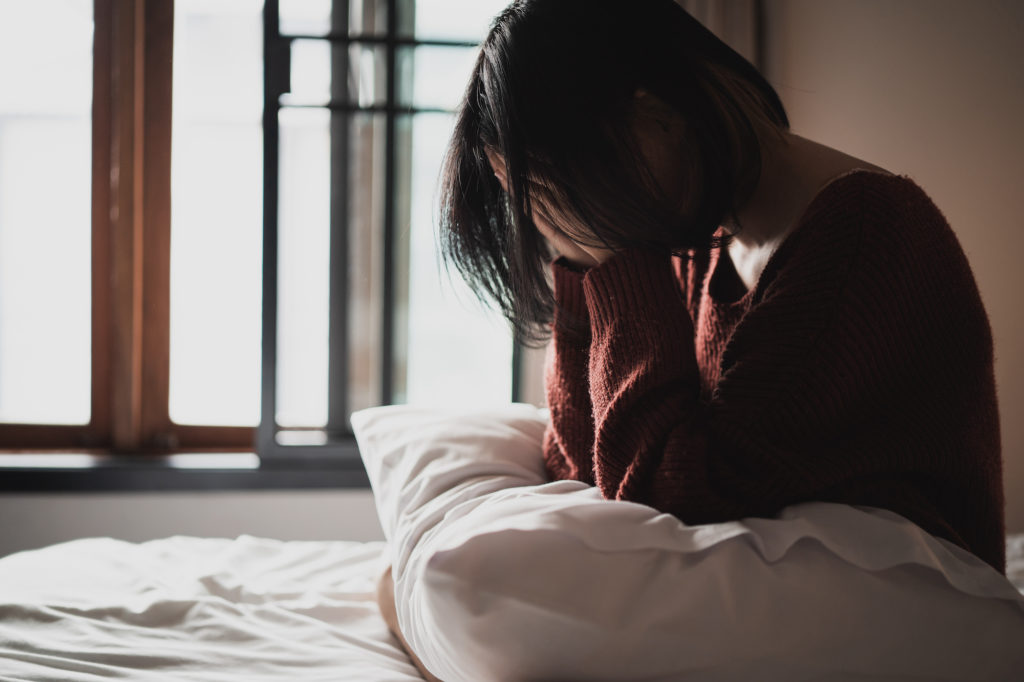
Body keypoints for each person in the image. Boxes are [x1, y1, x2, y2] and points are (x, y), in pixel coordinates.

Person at [383, 0, 1005, 676]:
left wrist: (615, 257)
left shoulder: (862, 235)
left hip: (904, 587)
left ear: (653, 113)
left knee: (458, 589)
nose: (555, 221)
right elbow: (577, 460)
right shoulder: (707, 239)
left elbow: (673, 497)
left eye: (553, 188)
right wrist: (583, 269)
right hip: (779, 571)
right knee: (432, 585)